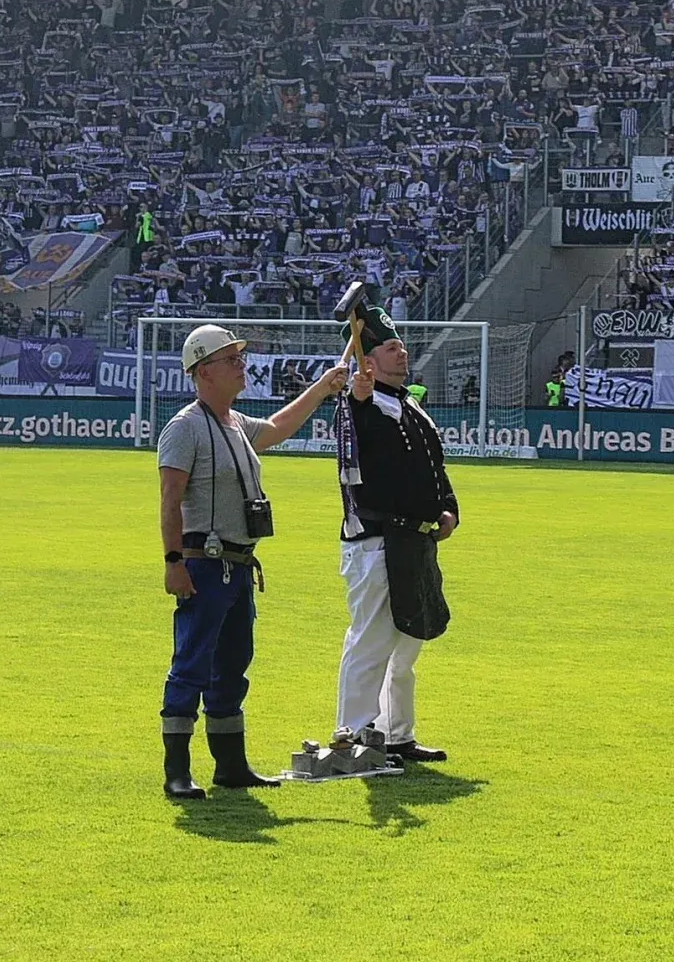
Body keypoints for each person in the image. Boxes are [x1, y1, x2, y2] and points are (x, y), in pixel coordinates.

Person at [157, 323, 348, 800]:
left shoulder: (236, 424)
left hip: (238, 564)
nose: (242, 365)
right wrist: (173, 561)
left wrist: (324, 387)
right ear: (203, 372)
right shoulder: (184, 427)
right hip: (204, 561)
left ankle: (231, 765)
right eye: (231, 360)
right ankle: (177, 770)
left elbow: (281, 426)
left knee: (234, 664)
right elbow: (169, 499)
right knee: (192, 664)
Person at [333, 306, 459, 763]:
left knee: (408, 645)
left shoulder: (408, 403)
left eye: (401, 345)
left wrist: (449, 508)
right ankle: (354, 735)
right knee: (370, 641)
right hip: (377, 541)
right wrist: (358, 396)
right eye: (390, 347)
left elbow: (434, 468)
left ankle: (397, 734)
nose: (402, 351)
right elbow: (359, 444)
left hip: (414, 542)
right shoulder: (357, 405)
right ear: (367, 361)